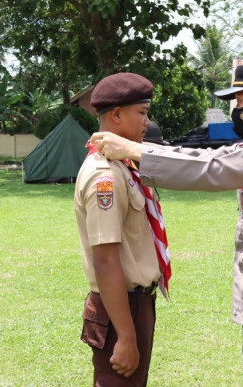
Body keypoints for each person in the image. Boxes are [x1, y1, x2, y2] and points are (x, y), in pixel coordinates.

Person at [91, 62, 243, 386]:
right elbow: (205, 157)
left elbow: (214, 168)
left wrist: (135, 150)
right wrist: (143, 151)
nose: (236, 109)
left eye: (240, 100)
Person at [75, 72, 171, 386]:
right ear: (116, 115)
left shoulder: (122, 165)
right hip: (121, 308)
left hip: (135, 303)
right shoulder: (105, 175)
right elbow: (105, 260)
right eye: (141, 113)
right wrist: (127, 336)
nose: (147, 122)